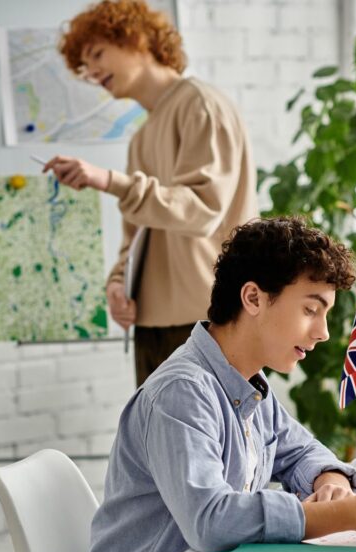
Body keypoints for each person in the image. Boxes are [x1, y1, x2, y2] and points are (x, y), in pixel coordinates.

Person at [77, 217, 356, 552]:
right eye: (310, 310)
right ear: (253, 298)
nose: (323, 333)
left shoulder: (248, 384)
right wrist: (347, 514)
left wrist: (330, 479)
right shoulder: (183, 392)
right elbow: (210, 520)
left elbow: (301, 450)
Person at [47, 0, 259, 386]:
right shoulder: (143, 136)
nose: (91, 72)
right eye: (84, 65)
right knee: (154, 444)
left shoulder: (200, 105)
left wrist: (108, 180)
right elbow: (136, 233)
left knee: (212, 444)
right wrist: (117, 282)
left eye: (97, 53)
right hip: (152, 324)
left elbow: (202, 210)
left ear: (137, 38)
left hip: (207, 321)